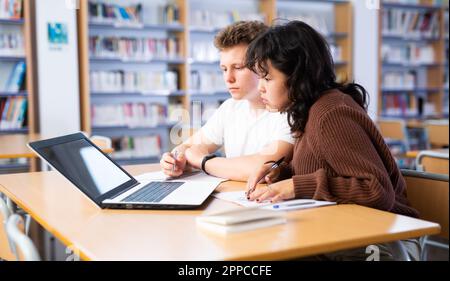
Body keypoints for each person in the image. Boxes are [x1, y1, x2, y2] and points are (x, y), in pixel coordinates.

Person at [244, 20, 420, 260]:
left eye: (267, 78)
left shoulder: (331, 114)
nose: (260, 88)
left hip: (384, 241)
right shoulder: (308, 110)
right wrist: (281, 173)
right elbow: (325, 169)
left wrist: (296, 186)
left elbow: (376, 190)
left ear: (296, 76)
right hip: (350, 229)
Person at [159, 21, 294, 181]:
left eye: (238, 67)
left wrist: (203, 161)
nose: (228, 78)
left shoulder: (290, 112)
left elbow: (262, 167)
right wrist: (176, 159)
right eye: (224, 69)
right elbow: (190, 147)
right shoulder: (231, 107)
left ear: (263, 65)